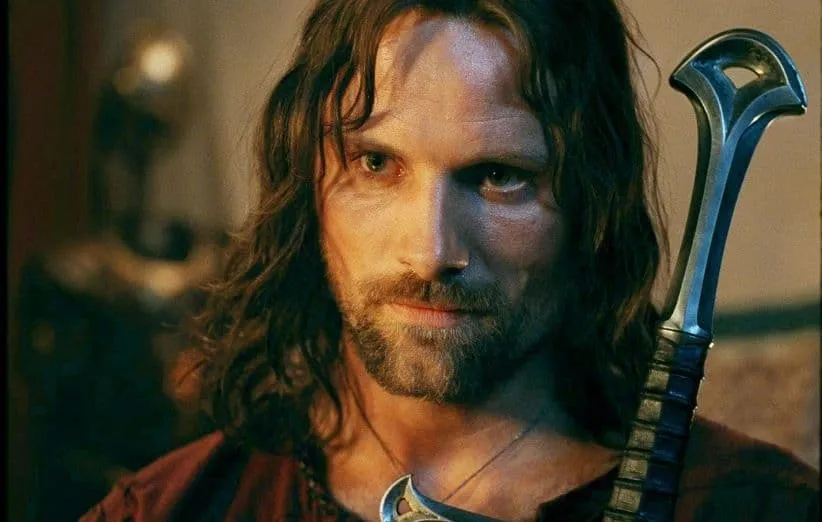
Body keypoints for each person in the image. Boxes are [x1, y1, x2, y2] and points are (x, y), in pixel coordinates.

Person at [81, 0, 818, 520]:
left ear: (592, 205)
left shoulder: (759, 508)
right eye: (376, 163)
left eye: (499, 176)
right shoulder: (168, 510)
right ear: (307, 183)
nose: (432, 251)